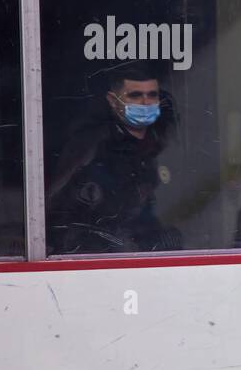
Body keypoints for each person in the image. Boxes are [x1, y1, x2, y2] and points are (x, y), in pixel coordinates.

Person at [46, 63, 181, 253]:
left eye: (152, 95)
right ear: (112, 100)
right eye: (135, 95)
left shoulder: (157, 146)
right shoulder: (91, 148)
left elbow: (146, 211)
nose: (145, 102)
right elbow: (62, 214)